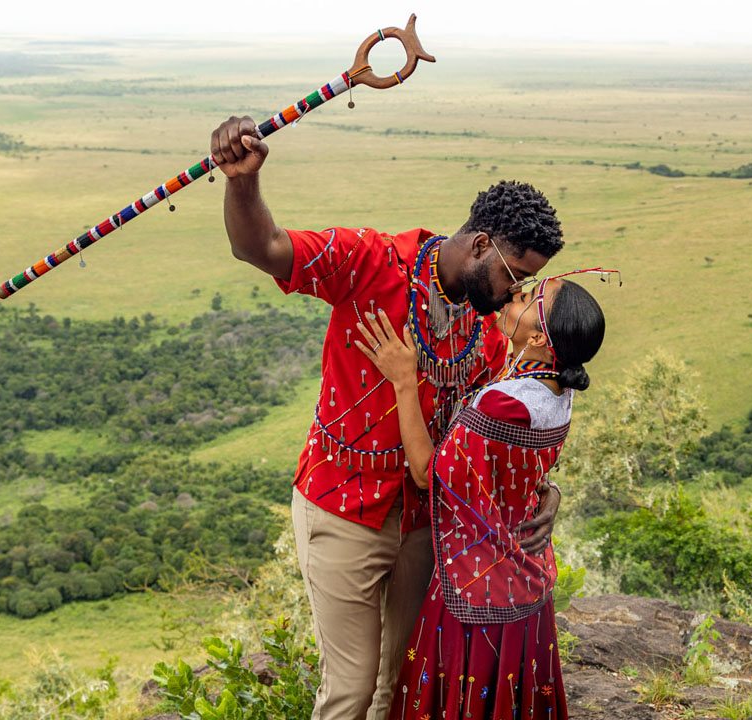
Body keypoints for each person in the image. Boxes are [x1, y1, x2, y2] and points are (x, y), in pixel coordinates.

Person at [210, 114, 566, 720]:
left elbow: (491, 437)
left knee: (398, 683)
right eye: (516, 276)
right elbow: (260, 248)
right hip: (343, 506)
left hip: (426, 519)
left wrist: (540, 489)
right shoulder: (371, 261)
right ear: (481, 245)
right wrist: (243, 183)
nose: (516, 296)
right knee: (351, 687)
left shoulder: (486, 324)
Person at [354, 271, 607, 720]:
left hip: (476, 583)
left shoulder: (503, 405)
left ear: (540, 340)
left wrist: (404, 380)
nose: (516, 293)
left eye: (529, 297)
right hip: (524, 583)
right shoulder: (559, 392)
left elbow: (428, 475)